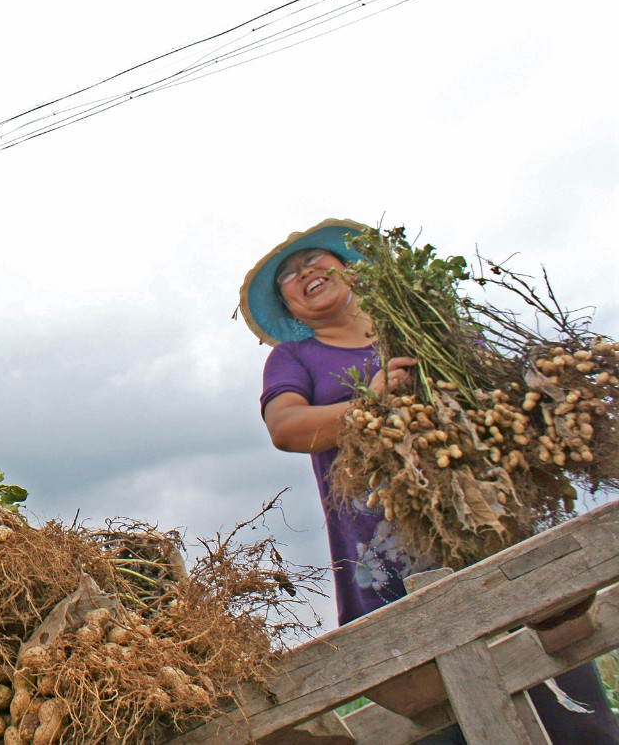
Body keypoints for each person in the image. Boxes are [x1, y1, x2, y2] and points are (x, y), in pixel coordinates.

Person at [238, 218, 619, 744]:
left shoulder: (417, 321)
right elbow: (285, 428)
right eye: (291, 276)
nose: (306, 272)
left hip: (485, 518)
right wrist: (368, 402)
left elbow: (488, 385)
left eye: (314, 261)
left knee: (563, 681)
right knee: (440, 701)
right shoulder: (296, 357)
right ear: (288, 307)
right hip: (389, 540)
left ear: (350, 271)